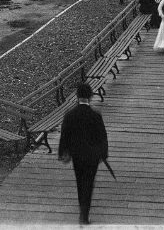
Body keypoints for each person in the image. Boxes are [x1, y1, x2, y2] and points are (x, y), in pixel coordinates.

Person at [58, 82, 109, 225]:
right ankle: (84, 215)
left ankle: (82, 206)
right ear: (91, 96)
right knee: (89, 182)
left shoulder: (70, 115)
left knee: (79, 180)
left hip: (77, 155)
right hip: (92, 155)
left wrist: (63, 152)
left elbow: (64, 135)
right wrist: (103, 154)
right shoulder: (95, 116)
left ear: (77, 96)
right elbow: (102, 137)